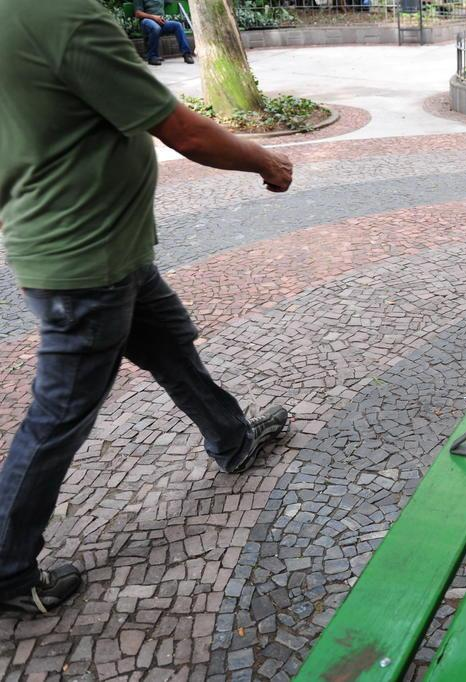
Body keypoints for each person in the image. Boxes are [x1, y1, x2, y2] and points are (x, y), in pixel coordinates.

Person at [0, 0, 294, 615]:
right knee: (58, 417)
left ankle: (232, 439)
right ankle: (5, 569)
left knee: (170, 348)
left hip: (100, 251)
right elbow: (182, 130)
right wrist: (267, 160)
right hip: (88, 264)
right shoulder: (59, 17)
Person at [134, 0, 195, 66]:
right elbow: (138, 13)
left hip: (160, 22)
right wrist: (154, 17)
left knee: (177, 25)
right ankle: (152, 57)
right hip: (146, 22)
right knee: (156, 28)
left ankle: (187, 54)